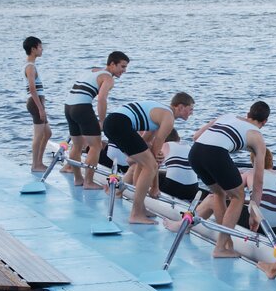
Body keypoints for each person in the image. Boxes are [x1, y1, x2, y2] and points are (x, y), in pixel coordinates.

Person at [188, 101, 269, 257]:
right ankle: (219, 248)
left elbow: (196, 136)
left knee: (219, 193)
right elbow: (258, 182)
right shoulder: (257, 136)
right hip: (215, 154)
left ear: (248, 114)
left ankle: (227, 244)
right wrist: (254, 213)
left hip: (195, 153)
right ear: (264, 122)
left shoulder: (228, 116)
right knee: (238, 196)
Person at [102, 92, 194, 224]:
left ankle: (140, 208)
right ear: (180, 107)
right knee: (150, 166)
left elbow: (146, 141)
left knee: (144, 162)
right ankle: (135, 214)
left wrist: (151, 154)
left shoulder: (160, 115)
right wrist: (155, 187)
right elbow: (155, 157)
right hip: (119, 123)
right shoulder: (168, 118)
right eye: (190, 109)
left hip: (113, 122)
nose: (191, 113)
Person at [63, 51, 128, 189]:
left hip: (68, 107)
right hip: (82, 108)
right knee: (96, 146)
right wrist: (102, 121)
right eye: (122, 67)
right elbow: (102, 99)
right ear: (112, 64)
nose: (124, 71)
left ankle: (78, 179)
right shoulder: (108, 78)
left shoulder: (92, 71)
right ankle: (88, 182)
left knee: (77, 145)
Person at [23, 36, 52, 172]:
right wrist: (41, 108)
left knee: (47, 133)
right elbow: (32, 89)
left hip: (38, 103)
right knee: (39, 135)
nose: (42, 49)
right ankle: (35, 165)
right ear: (33, 49)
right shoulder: (30, 67)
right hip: (35, 104)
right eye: (40, 47)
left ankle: (39, 162)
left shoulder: (32, 66)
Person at [159, 130, 199, 201]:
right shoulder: (188, 146)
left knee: (150, 171)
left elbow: (152, 167)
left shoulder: (164, 145)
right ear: (179, 138)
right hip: (193, 190)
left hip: (173, 188)